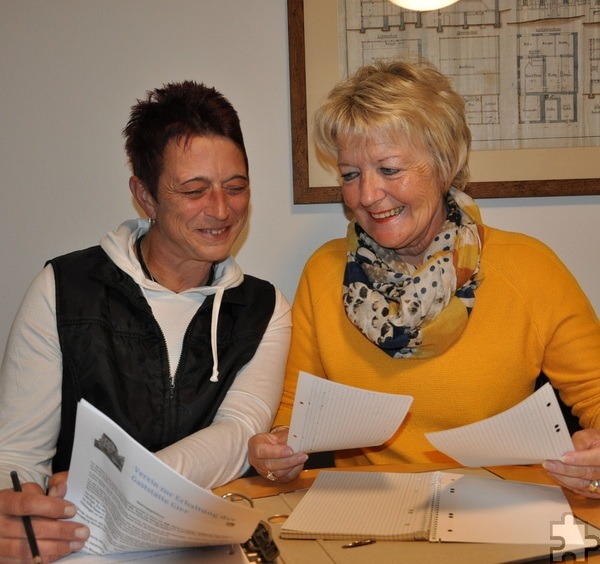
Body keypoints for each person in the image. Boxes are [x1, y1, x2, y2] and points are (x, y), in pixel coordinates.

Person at [248, 59, 600, 498]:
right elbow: (293, 412)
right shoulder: (324, 273)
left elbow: (595, 392)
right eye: (351, 175)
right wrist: (276, 450)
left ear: (444, 164)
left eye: (390, 169)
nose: (367, 195)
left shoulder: (529, 267)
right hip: (366, 509)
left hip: (502, 506)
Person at [0, 81, 291, 561]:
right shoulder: (64, 289)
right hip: (82, 543)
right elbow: (16, 455)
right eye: (194, 190)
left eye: (236, 187)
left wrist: (123, 482)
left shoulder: (262, 308)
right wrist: (20, 516)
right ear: (145, 196)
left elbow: (239, 434)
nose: (221, 210)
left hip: (203, 547)